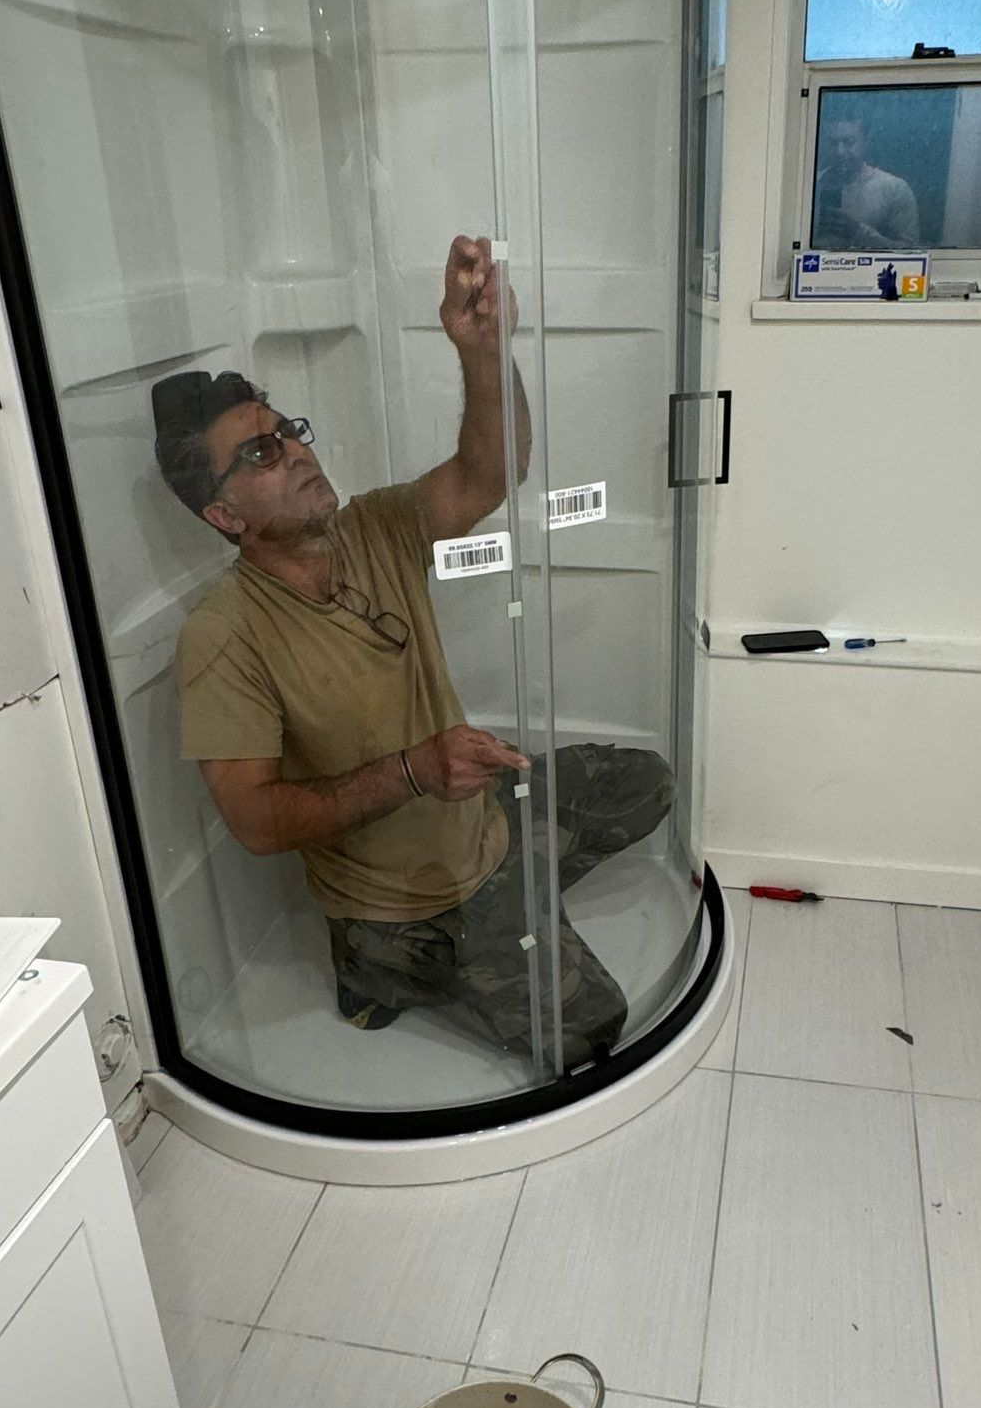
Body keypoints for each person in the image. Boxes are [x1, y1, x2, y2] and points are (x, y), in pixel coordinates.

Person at [157, 234, 671, 1071]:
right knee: (588, 1033)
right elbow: (254, 821)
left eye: (287, 432)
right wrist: (414, 771)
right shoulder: (224, 633)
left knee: (649, 783)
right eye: (260, 453)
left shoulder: (373, 527)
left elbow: (491, 470)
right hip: (402, 902)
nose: (296, 450)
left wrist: (482, 349)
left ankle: (518, 885)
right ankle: (383, 964)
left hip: (479, 821)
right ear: (224, 516)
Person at [816, 108, 921, 251]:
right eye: (833, 143)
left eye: (849, 142)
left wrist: (859, 233)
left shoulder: (894, 189)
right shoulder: (809, 187)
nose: (840, 151)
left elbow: (910, 253)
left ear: (866, 141)